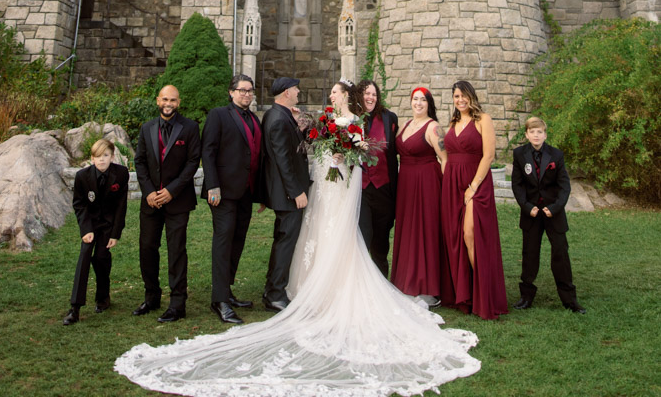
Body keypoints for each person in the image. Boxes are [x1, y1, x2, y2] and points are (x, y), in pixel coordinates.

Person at [115, 79, 481, 396]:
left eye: (335, 92)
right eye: (331, 92)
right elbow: (296, 149)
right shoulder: (316, 120)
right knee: (307, 237)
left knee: (327, 236)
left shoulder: (352, 123)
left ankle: (313, 288)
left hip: (334, 188)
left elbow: (349, 159)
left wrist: (340, 154)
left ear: (344, 97)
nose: (330, 95)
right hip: (316, 190)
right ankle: (288, 288)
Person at [133, 84, 201, 323]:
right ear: (157, 101)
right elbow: (139, 162)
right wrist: (149, 192)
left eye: (173, 100)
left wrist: (171, 191)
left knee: (176, 251)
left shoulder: (190, 128)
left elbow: (193, 162)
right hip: (151, 202)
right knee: (147, 248)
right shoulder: (147, 128)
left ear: (178, 102)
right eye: (164, 99)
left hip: (177, 201)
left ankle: (177, 303)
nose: (168, 103)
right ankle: (151, 297)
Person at [441, 80, 508, 320]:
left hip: (475, 184)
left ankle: (484, 296)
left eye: (463, 96)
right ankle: (465, 294)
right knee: (456, 237)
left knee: (471, 235)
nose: (460, 100)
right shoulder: (453, 122)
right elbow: (445, 156)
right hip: (452, 184)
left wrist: (473, 187)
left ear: (471, 96)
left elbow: (489, 155)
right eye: (456, 96)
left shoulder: (483, 120)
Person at [201, 74, 263, 325]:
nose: (247, 94)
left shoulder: (254, 119)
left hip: (245, 192)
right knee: (223, 242)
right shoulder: (219, 115)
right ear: (231, 92)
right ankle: (219, 300)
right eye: (242, 90)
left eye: (250, 91)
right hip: (223, 192)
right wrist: (213, 185)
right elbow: (208, 150)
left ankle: (227, 290)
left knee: (237, 242)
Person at [511, 116, 586, 313]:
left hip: (553, 213)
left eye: (540, 132)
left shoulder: (556, 155)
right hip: (532, 214)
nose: (536, 135)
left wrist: (554, 208)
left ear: (545, 134)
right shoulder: (519, 154)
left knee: (560, 253)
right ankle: (526, 296)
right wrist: (527, 207)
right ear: (526, 134)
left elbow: (564, 186)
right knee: (529, 254)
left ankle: (569, 299)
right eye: (532, 132)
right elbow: (517, 185)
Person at [390, 86, 447, 306]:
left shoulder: (433, 128)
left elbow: (445, 160)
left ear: (429, 103)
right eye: (415, 99)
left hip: (427, 184)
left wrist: (445, 191)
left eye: (423, 100)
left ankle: (427, 287)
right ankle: (405, 282)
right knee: (408, 230)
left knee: (425, 230)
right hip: (406, 184)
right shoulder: (405, 125)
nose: (418, 103)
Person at [63, 138, 129, 324]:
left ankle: (103, 298)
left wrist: (115, 234)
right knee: (85, 257)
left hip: (108, 226)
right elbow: (79, 205)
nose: (102, 160)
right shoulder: (82, 176)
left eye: (106, 156)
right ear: (92, 158)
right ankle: (75, 308)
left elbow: (121, 207)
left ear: (112, 156)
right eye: (98, 157)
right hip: (90, 225)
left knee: (101, 257)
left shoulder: (121, 173)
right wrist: (86, 230)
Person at [261, 76, 311, 312]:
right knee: (285, 243)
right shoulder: (279, 120)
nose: (298, 91)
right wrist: (296, 192)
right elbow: (283, 160)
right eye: (295, 89)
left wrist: (298, 125)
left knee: (283, 241)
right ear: (285, 93)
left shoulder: (279, 115)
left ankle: (272, 288)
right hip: (288, 194)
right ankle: (275, 294)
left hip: (284, 192)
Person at [356, 79, 398, 277]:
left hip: (384, 189)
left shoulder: (390, 119)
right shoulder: (352, 119)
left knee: (381, 243)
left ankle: (382, 282)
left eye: (373, 94)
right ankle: (362, 284)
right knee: (363, 239)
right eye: (366, 94)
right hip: (361, 190)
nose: (370, 97)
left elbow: (394, 154)